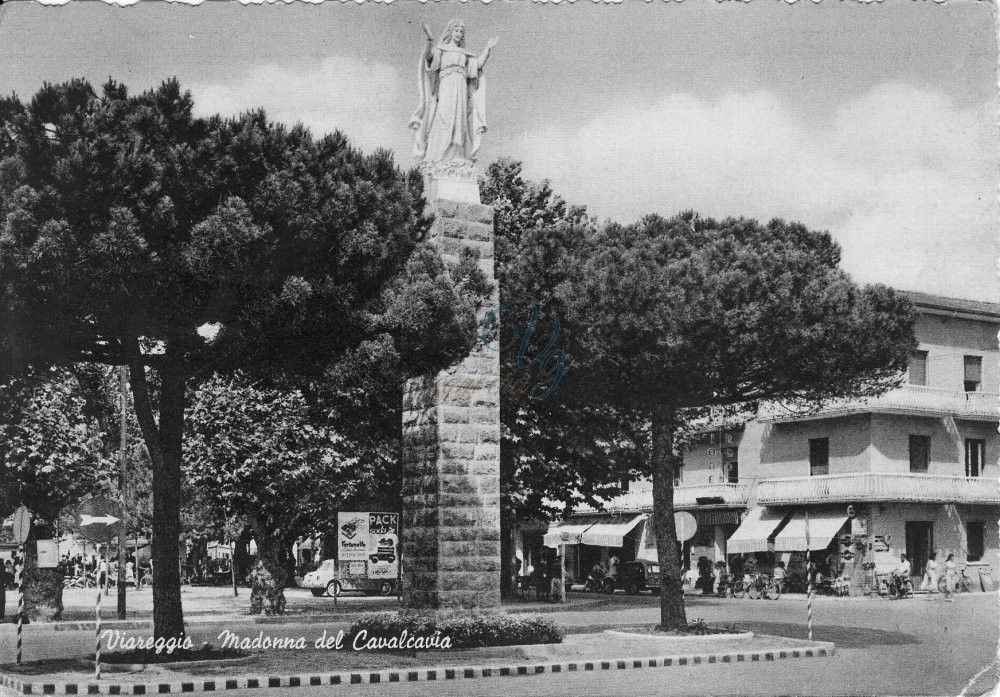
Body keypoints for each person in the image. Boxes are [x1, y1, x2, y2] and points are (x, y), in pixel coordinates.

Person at [409, 19, 499, 164]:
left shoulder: (465, 54)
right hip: (446, 86)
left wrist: (487, 50)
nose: (459, 34)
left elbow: (475, 67)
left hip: (461, 88)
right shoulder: (441, 50)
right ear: (450, 32)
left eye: (461, 32)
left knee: (460, 121)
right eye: (456, 31)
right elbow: (430, 59)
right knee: (444, 116)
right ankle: (436, 156)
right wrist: (430, 39)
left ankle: (456, 156)